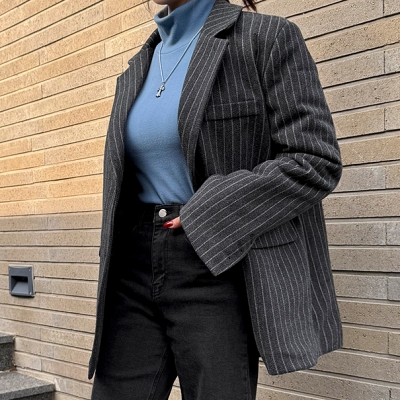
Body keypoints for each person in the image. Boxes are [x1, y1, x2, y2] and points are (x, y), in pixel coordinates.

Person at [88, 0, 343, 398]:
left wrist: (207, 213)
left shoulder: (265, 38)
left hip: (215, 259)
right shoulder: (140, 64)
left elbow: (314, 160)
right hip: (132, 266)